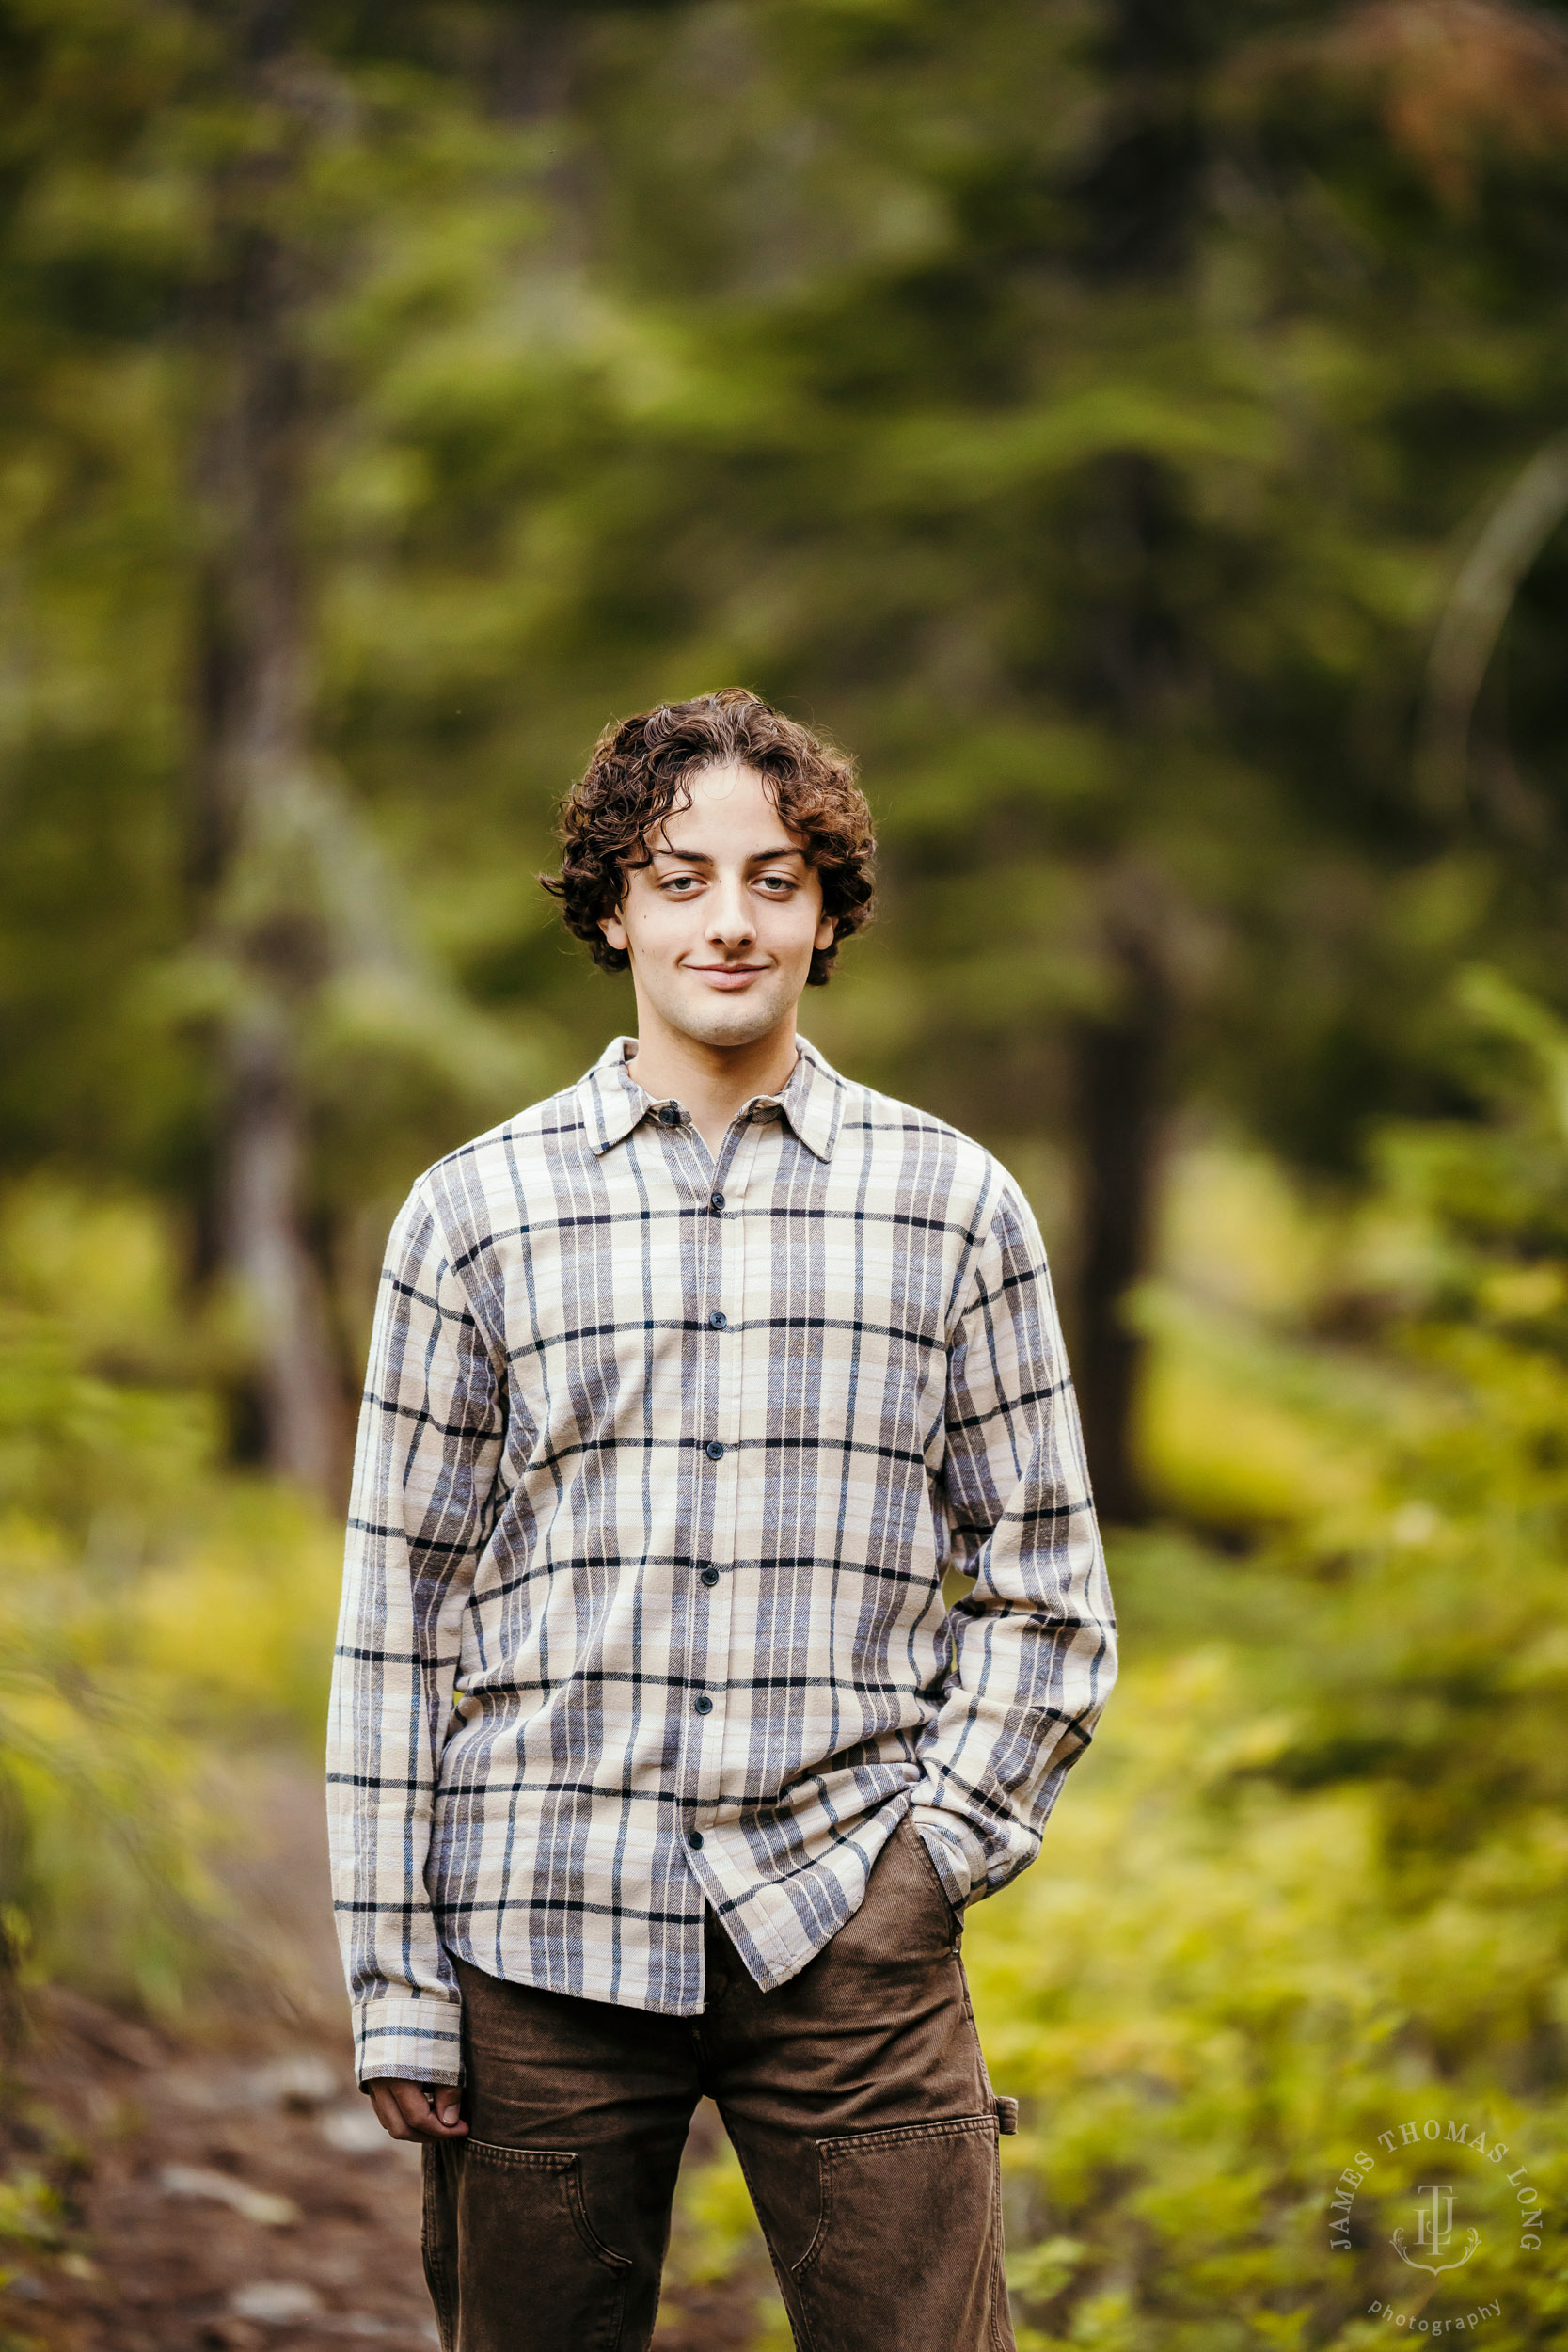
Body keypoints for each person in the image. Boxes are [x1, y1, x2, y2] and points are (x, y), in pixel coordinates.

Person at [326, 688, 1116, 2352]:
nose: (730, 921)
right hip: (537, 1931)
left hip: (849, 1934)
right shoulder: (472, 1213)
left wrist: (931, 1863)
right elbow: (395, 1615)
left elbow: (1049, 1592)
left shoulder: (954, 1205)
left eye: (775, 878)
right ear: (612, 904)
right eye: (681, 877)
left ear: (828, 912)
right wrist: (400, 1988)